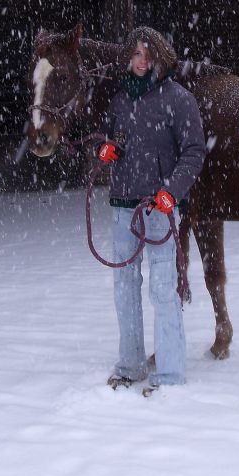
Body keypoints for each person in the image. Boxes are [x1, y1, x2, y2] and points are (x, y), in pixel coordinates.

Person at [97, 26, 206, 392]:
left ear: (160, 57)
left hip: (159, 209)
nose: (141, 61)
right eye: (136, 54)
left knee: (162, 287)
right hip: (123, 206)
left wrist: (171, 192)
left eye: (147, 54)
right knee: (124, 288)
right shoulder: (120, 100)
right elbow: (108, 137)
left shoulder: (178, 99)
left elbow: (194, 151)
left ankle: (170, 373)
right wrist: (106, 150)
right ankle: (130, 364)